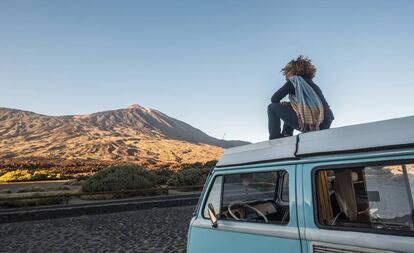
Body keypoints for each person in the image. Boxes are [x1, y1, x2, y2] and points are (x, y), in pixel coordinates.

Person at [268, 56, 334, 139]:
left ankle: (275, 137)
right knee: (291, 106)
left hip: (311, 124)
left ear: (294, 70)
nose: (285, 76)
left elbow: (274, 98)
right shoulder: (312, 85)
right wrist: (290, 104)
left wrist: (288, 104)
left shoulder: (295, 81)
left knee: (272, 107)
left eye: (287, 72)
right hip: (325, 123)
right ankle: (286, 134)